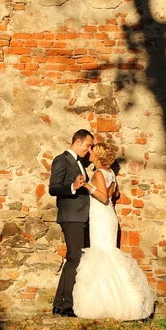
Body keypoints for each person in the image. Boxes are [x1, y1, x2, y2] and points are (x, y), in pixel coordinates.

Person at [72, 143, 155, 320]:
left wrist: (87, 185)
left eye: (93, 151)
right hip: (108, 216)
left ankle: (105, 305)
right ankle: (117, 302)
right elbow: (113, 194)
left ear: (99, 155)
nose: (90, 152)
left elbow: (103, 197)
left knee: (102, 255)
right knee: (107, 254)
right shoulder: (110, 173)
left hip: (101, 217)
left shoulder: (100, 173)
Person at [49, 129, 94, 317]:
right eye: (88, 145)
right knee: (74, 258)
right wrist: (73, 187)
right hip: (72, 217)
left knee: (75, 259)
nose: (89, 150)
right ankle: (67, 306)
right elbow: (53, 188)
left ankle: (60, 304)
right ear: (78, 142)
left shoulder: (79, 163)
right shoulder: (62, 160)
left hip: (81, 217)